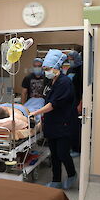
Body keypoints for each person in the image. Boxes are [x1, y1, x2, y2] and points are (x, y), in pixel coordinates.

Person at [30, 49, 77, 190]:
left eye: (48, 69)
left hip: (63, 124)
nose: (46, 72)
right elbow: (46, 100)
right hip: (51, 124)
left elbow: (53, 104)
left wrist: (35, 112)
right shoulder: (50, 81)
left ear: (57, 68)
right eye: (44, 69)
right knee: (54, 155)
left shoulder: (64, 83)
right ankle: (56, 180)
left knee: (63, 153)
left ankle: (72, 174)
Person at [67, 50, 83, 158]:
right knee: (69, 126)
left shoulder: (82, 70)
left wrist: (81, 103)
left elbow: (84, 89)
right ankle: (70, 146)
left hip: (77, 101)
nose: (70, 61)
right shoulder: (70, 69)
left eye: (72, 59)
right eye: (69, 59)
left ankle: (77, 149)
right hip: (69, 101)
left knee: (75, 127)